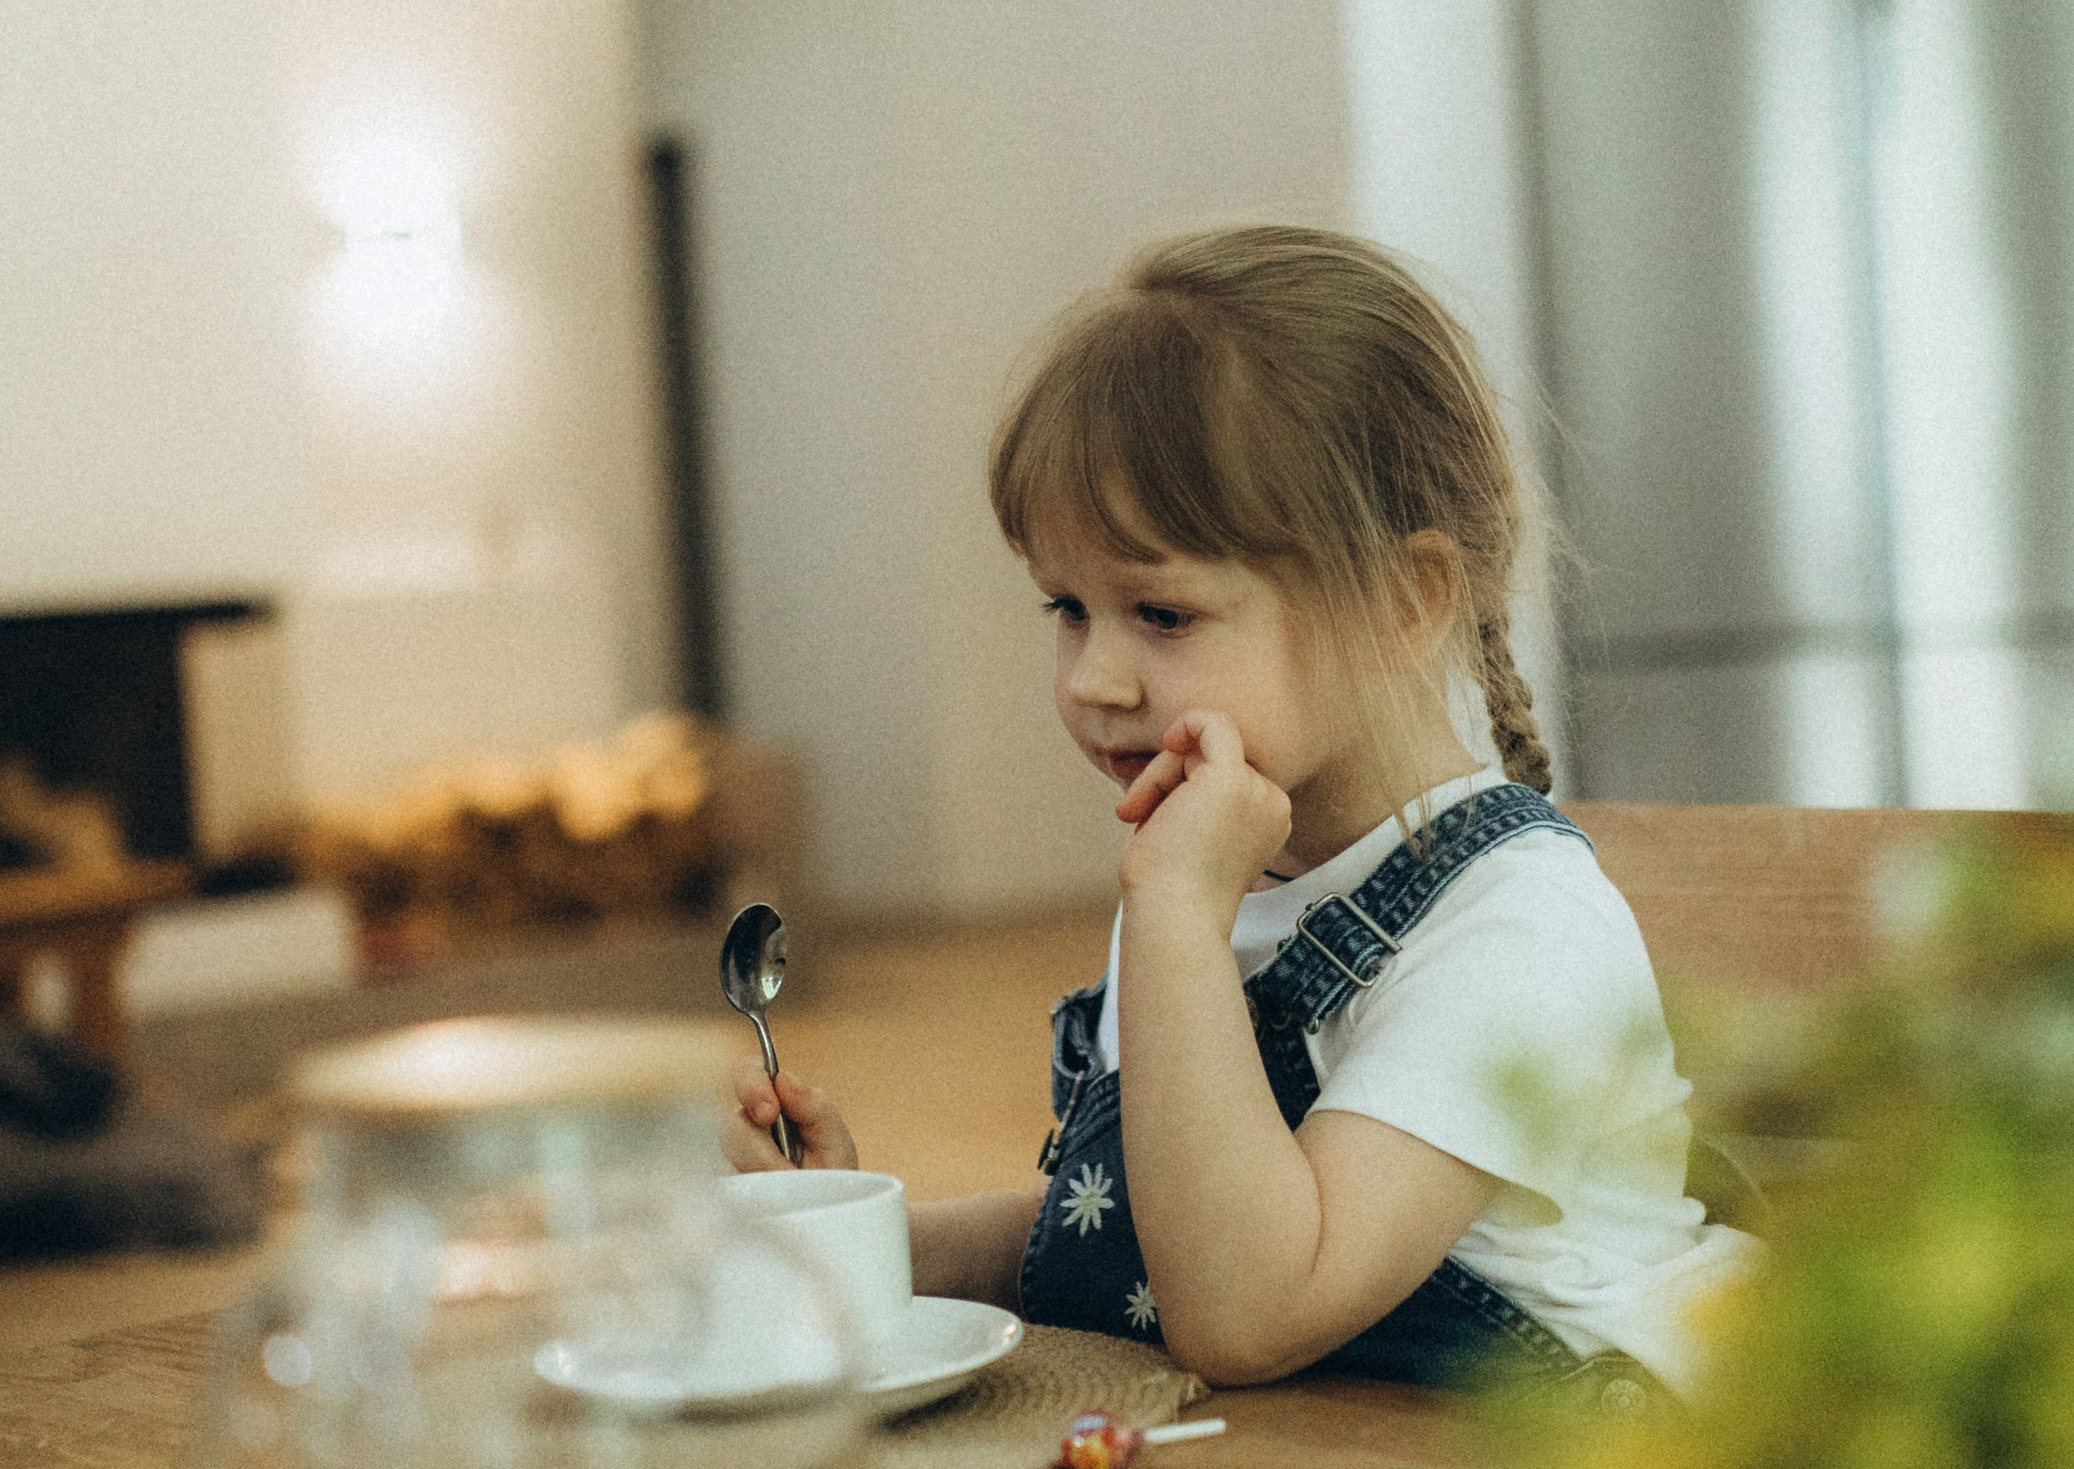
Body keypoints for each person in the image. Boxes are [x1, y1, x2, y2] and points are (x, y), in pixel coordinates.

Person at [727, 223, 1755, 1391]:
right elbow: (1144, 1236)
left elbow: (1249, 1309)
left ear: (1404, 601)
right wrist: (840, 1242)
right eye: (1067, 607)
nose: (1091, 681)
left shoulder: (1512, 933)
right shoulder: (1204, 877)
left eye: (1160, 615)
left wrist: (1173, 921)